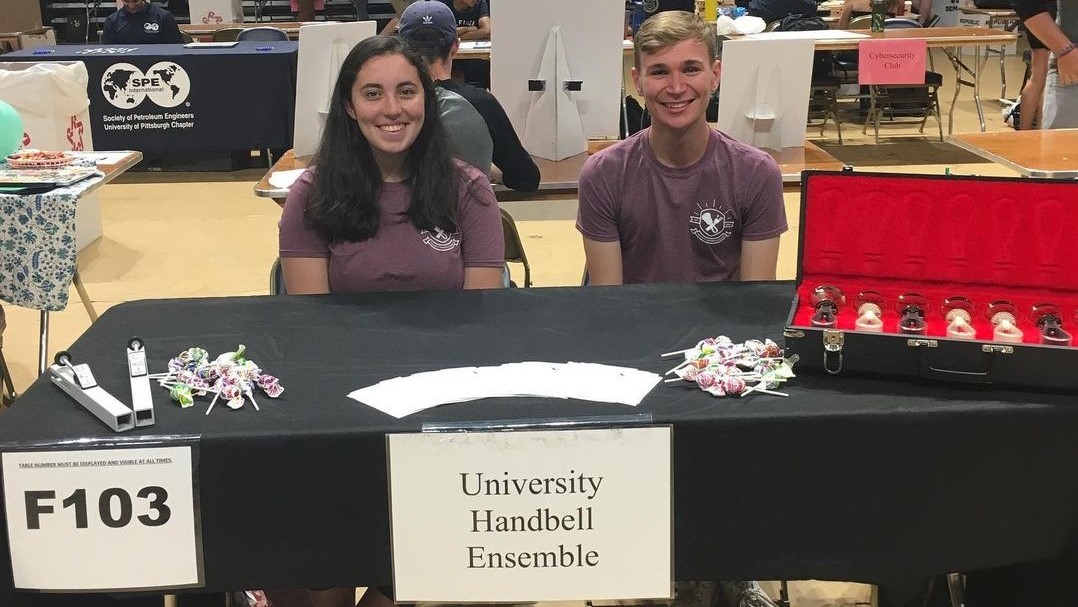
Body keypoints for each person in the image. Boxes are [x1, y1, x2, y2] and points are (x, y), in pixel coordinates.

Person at [278, 35, 504, 297]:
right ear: (350, 106)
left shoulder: (470, 190)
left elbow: (479, 318)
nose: (393, 109)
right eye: (373, 94)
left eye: (406, 92)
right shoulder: (311, 194)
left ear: (426, 101)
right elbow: (311, 323)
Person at [576, 10, 787, 286]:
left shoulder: (756, 174)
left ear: (715, 75)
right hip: (636, 324)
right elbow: (609, 302)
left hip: (722, 328)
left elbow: (754, 301)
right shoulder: (603, 175)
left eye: (690, 69)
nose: (676, 87)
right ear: (637, 81)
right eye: (660, 72)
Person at [397, 0, 540, 191]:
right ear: (455, 46)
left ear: (401, 48)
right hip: (465, 218)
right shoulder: (481, 103)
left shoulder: (383, 108)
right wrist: (487, 171)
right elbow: (526, 179)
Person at [1017, 0, 1077, 128]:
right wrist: (1065, 50)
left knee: (1037, 77)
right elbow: (1026, 4)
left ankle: (1030, 135)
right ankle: (1029, 137)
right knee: (1038, 77)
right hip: (1071, 62)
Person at [1017, 1, 1057, 129]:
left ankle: (1025, 132)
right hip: (1051, 12)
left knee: (1036, 77)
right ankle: (1041, 131)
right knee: (1046, 77)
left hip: (1035, 13)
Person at [101, 0, 183, 45]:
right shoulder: (112, 21)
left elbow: (177, 48)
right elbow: (108, 54)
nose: (131, 6)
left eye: (135, 1)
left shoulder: (164, 17)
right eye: (126, 1)